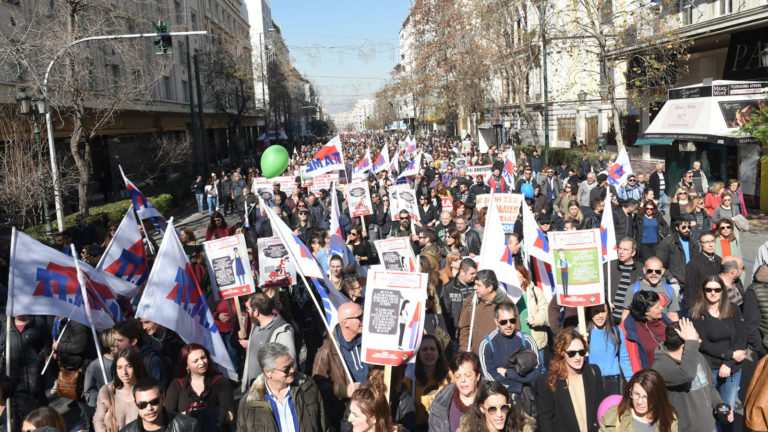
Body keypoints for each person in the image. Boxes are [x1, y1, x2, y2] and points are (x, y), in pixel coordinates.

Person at [653, 318, 732, 432]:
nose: (700, 341)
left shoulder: (697, 356)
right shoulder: (661, 367)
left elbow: (710, 387)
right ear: (686, 346)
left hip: (709, 426)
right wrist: (691, 343)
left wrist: (719, 405)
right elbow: (687, 374)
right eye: (696, 339)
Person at [689, 276, 746, 429]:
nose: (713, 293)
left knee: (727, 412)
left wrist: (728, 363)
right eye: (709, 289)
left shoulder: (733, 308)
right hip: (708, 369)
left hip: (732, 369)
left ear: (722, 291)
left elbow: (741, 338)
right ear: (703, 291)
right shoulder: (696, 313)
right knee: (709, 412)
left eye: (717, 289)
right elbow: (702, 344)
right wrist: (729, 355)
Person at [237, 342, 327, 432]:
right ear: (268, 372)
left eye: (292, 364)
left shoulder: (308, 388)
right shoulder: (249, 403)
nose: (292, 370)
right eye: (286, 369)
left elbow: (323, 424)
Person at [536, 329, 604, 432]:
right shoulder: (548, 380)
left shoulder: (593, 372)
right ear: (562, 352)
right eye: (572, 353)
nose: (578, 357)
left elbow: (600, 410)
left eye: (582, 352)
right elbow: (546, 420)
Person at [313, 302, 367, 429]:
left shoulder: (369, 342)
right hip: (345, 415)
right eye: (359, 318)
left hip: (370, 408)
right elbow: (318, 385)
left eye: (363, 315)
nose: (363, 320)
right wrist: (344, 390)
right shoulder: (326, 351)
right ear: (345, 323)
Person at [478, 302, 541, 398]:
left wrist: (508, 373)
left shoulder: (527, 340)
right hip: (498, 395)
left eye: (512, 320)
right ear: (496, 321)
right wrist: (516, 386)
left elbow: (537, 372)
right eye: (503, 322)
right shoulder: (486, 344)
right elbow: (488, 375)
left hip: (525, 396)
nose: (509, 325)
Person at [164, 344, 234, 429]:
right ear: (186, 366)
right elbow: (167, 415)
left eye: (203, 357)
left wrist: (191, 415)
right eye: (195, 361)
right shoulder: (176, 385)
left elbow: (230, 415)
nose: (202, 362)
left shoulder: (221, 381)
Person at [240, 293, 295, 386]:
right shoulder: (255, 325)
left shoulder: (283, 332)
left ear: (256, 312)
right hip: (253, 388)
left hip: (269, 391)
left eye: (248, 309)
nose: (248, 312)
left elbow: (290, 364)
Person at [598, 369, 677, 432]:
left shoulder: (668, 418)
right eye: (636, 394)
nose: (639, 401)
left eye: (646, 397)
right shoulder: (615, 415)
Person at [403, 334, 453, 429]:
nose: (429, 353)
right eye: (424, 349)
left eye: (432, 349)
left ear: (438, 353)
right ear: (419, 354)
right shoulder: (410, 380)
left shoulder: (449, 375)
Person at [0, 314, 50, 406]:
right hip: (15, 379)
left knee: (40, 406)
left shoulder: (38, 322)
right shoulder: (6, 327)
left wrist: (41, 357)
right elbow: (1, 348)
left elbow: (47, 342)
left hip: (35, 375)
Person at [94, 349, 147, 432]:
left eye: (129, 366)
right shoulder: (107, 391)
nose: (124, 372)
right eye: (119, 367)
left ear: (136, 366)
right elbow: (98, 419)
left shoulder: (148, 389)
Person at [428, 352, 483, 432]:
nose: (463, 380)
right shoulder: (441, 402)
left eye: (468, 375)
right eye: (458, 376)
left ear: (478, 376)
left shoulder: (491, 399)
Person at [120, 377, 200, 432]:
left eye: (154, 402)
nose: (149, 408)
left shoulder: (188, 426)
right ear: (136, 404)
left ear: (162, 398)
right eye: (142, 405)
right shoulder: (127, 431)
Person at [458, 270, 510, 354]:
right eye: (475, 284)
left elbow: (513, 336)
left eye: (478, 285)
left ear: (489, 287)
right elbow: (464, 327)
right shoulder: (472, 301)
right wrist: (465, 349)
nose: (474, 287)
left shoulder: (507, 305)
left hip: (496, 361)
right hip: (474, 359)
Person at [112, 319, 172, 392]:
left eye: (120, 340)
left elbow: (160, 393)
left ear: (133, 341)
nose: (115, 344)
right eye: (114, 340)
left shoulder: (153, 362)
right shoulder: (115, 362)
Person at [620, 291, 672, 373]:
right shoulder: (629, 328)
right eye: (657, 307)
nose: (661, 308)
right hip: (649, 378)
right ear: (645, 312)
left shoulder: (665, 321)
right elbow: (625, 359)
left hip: (672, 374)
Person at [587, 304, 633, 395]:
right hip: (591, 382)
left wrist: (630, 380)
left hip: (613, 384)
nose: (600, 315)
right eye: (596, 312)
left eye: (603, 311)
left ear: (608, 312)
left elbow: (624, 358)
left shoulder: (616, 330)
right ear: (590, 313)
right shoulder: (581, 332)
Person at [456, 381, 534, 432]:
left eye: (504, 407)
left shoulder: (522, 427)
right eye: (492, 409)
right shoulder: (468, 429)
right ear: (482, 409)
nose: (500, 414)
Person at [683, 232, 722, 312]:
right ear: (700, 245)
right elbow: (690, 291)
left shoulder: (719, 260)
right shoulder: (693, 265)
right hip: (702, 306)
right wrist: (692, 310)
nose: (710, 245)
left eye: (712, 241)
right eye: (707, 242)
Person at [656, 220, 698, 292]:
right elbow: (659, 264)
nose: (687, 229)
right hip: (676, 283)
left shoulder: (694, 242)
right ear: (677, 228)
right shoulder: (668, 242)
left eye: (689, 227)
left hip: (692, 281)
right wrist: (670, 278)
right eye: (684, 227)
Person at [441, 258, 477, 339]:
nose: (474, 276)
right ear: (462, 272)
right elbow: (446, 313)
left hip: (476, 330)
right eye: (472, 273)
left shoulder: (477, 286)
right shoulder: (449, 288)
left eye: (475, 273)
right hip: (458, 333)